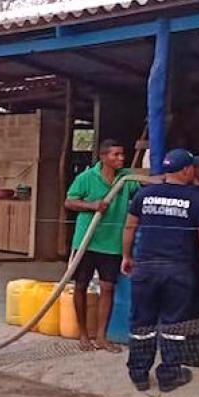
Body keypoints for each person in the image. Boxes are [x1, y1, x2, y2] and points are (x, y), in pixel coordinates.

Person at [120, 148, 199, 392]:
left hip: (145, 268)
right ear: (186, 170)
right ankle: (168, 376)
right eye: (192, 167)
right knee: (174, 325)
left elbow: (129, 228)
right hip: (177, 270)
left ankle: (139, 375)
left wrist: (127, 256)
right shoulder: (197, 199)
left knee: (142, 323)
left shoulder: (145, 194)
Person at [64, 139, 138, 352]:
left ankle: (102, 336)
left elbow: (147, 181)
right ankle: (83, 335)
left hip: (112, 243)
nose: (121, 158)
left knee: (108, 287)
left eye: (122, 154)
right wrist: (91, 206)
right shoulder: (87, 178)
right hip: (86, 241)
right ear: (103, 157)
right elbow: (69, 201)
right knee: (80, 286)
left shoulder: (126, 178)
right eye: (115, 155)